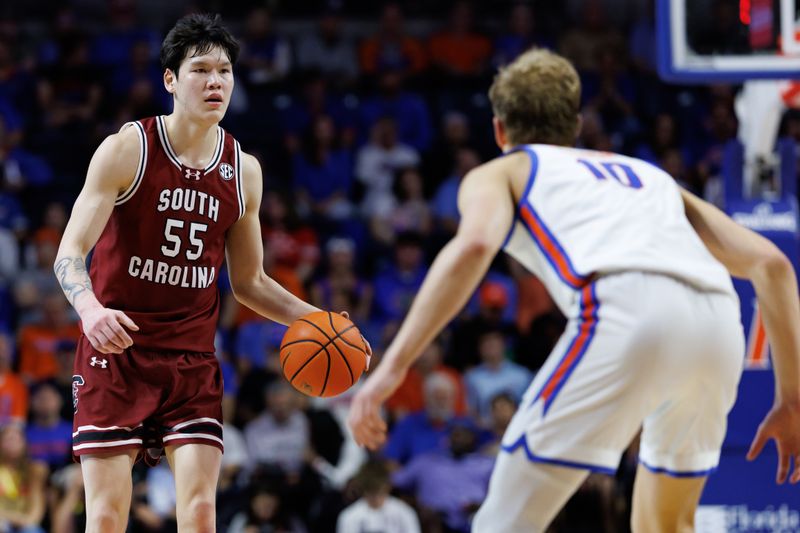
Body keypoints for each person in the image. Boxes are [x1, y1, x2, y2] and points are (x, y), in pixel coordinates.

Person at [349, 48, 800, 532]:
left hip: (625, 311)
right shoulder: (649, 176)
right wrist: (792, 397)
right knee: (668, 525)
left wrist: (390, 368)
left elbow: (476, 243)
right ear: (576, 125)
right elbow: (771, 264)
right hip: (716, 322)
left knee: (502, 523)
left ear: (500, 130)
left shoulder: (501, 171)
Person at [53, 14, 360, 533]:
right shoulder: (128, 148)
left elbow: (251, 283)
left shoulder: (244, 170)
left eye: (225, 70)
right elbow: (69, 252)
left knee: (199, 512)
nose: (215, 80)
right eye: (201, 69)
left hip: (190, 359)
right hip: (116, 353)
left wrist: (328, 323)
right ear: (170, 80)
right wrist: (89, 309)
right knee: (105, 515)